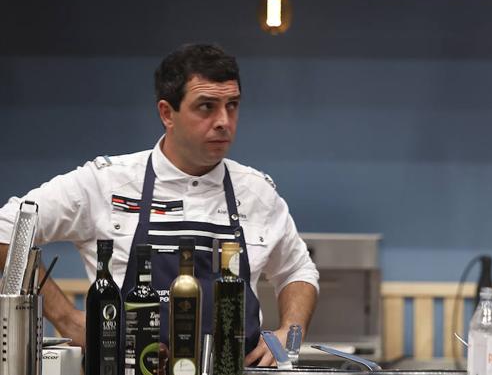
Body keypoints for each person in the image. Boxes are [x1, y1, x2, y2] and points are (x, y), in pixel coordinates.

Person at [0, 43, 319, 367]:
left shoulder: (257, 192)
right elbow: (6, 230)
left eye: (232, 105)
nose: (224, 121)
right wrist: (66, 318)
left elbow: (297, 269)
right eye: (206, 107)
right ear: (167, 113)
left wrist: (289, 333)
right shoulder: (105, 183)